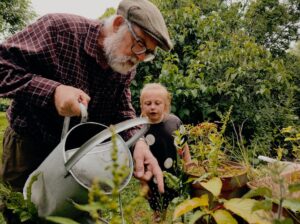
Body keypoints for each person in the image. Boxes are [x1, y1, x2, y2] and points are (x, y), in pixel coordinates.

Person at [0, 0, 173, 195]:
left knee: (72, 212)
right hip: (28, 145)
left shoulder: (124, 66)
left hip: (80, 154)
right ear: (117, 24)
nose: (141, 57)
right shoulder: (59, 30)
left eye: (148, 53)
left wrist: (137, 143)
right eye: (140, 44)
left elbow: (121, 111)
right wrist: (53, 92)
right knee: (21, 209)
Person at [139, 83, 191, 222]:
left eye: (157, 103)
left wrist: (189, 163)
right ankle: (159, 219)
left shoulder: (174, 122)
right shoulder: (140, 128)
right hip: (152, 179)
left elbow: (184, 145)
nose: (152, 107)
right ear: (141, 106)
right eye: (148, 103)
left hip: (174, 174)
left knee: (180, 204)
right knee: (158, 207)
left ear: (166, 105)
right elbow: (137, 159)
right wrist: (143, 183)